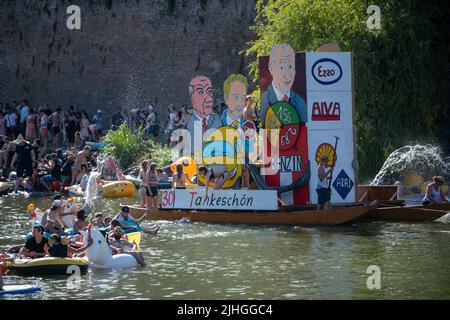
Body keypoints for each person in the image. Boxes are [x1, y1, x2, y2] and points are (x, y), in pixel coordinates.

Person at [260, 44, 307, 124]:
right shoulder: (265, 99)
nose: (287, 74)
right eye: (281, 68)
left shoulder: (300, 102)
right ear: (271, 68)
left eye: (290, 66)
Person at [186, 76, 222, 155]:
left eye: (209, 91)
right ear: (192, 97)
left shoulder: (219, 121)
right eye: (200, 92)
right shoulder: (189, 122)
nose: (208, 98)